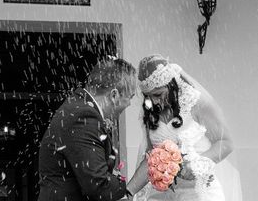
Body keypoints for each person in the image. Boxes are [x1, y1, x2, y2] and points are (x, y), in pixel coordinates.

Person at [126, 55, 239, 201]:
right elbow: (150, 158)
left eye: (158, 94)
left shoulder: (198, 104)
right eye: (148, 96)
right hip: (163, 195)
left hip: (198, 192)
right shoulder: (150, 114)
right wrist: (128, 192)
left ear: (171, 84)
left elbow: (226, 143)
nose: (154, 102)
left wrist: (197, 164)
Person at [38, 57, 137, 201]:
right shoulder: (83, 117)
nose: (128, 104)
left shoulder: (78, 106)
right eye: (130, 97)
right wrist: (125, 188)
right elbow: (98, 186)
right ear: (114, 95)